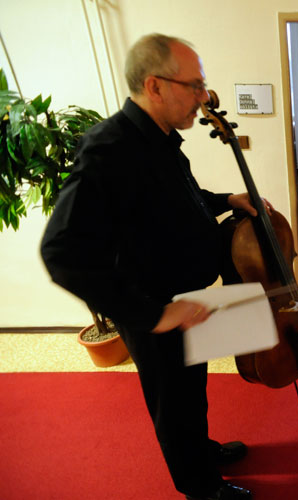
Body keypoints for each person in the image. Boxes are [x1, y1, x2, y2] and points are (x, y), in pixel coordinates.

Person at [41, 34, 265, 500]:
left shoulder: (161, 138)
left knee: (192, 392)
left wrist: (228, 199)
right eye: (195, 85)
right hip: (155, 309)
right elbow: (60, 251)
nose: (204, 96)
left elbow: (183, 202)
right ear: (155, 86)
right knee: (173, 404)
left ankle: (200, 453)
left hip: (185, 301)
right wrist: (154, 315)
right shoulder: (110, 148)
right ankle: (201, 488)